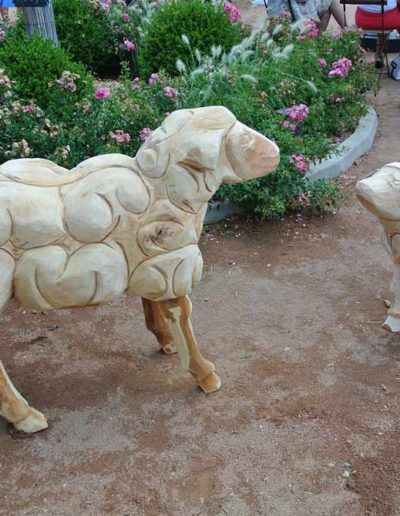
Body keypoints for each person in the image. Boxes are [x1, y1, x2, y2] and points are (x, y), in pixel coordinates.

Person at [355, 0, 400, 67]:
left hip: (363, 20)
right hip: (387, 21)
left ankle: (378, 56)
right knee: (384, 24)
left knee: (383, 23)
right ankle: (378, 55)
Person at [268, 0, 345, 31]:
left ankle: (345, 28)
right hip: (286, 14)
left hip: (295, 10)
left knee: (328, 3)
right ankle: (345, 28)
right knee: (330, 3)